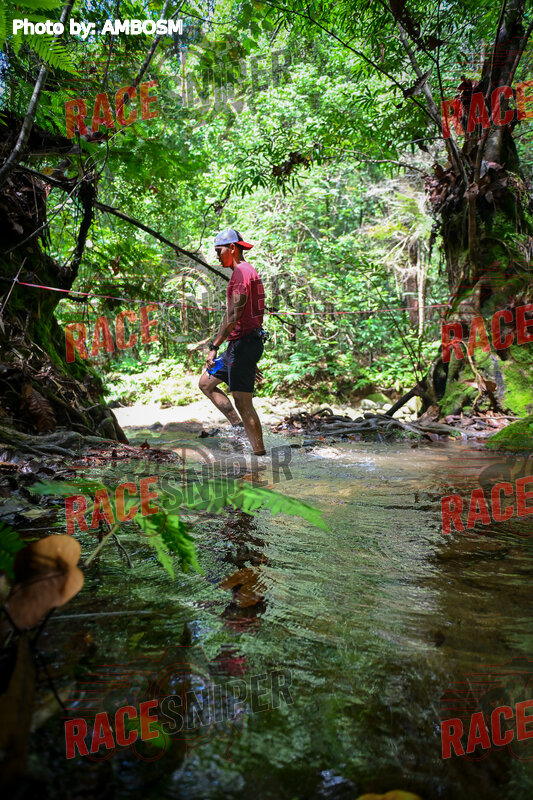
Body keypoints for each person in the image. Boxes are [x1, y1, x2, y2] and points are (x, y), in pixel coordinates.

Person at [198, 228, 267, 456]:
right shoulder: (246, 272)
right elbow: (239, 314)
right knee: (206, 383)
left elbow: (234, 314)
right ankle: (238, 427)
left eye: (219, 251)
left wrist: (214, 346)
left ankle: (259, 455)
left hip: (243, 345)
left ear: (232, 248)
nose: (217, 256)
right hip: (238, 347)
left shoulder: (241, 273)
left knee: (243, 402)